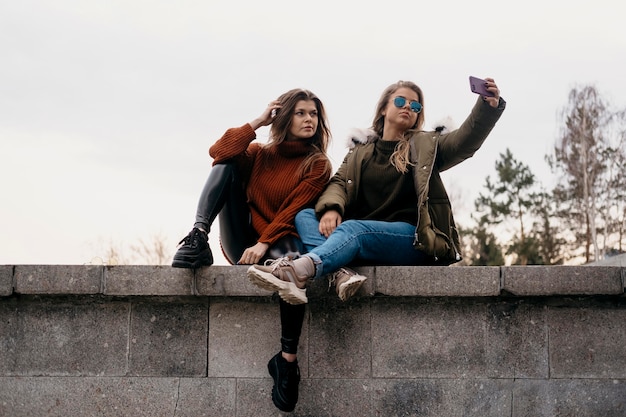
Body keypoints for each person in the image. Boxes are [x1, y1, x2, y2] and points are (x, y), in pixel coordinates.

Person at [247, 78, 506, 309]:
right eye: (401, 101)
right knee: (305, 215)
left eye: (415, 107)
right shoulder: (361, 152)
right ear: (384, 108)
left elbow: (465, 141)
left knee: (354, 230)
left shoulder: (426, 146)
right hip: (363, 238)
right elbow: (337, 183)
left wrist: (487, 107)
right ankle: (340, 273)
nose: (408, 108)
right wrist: (333, 208)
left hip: (412, 241)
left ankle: (300, 270)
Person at [171, 88, 333, 412]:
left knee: (289, 262)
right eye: (300, 113)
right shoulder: (259, 153)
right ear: (285, 117)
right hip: (243, 241)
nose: (309, 119)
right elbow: (218, 151)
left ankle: (287, 361)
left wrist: (264, 243)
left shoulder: (318, 164)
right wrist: (257, 122)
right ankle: (197, 235)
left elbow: (293, 211)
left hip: (282, 241)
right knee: (227, 163)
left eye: (313, 114)